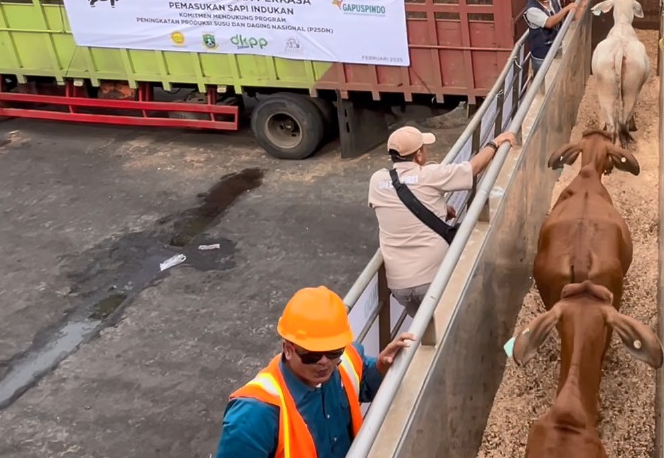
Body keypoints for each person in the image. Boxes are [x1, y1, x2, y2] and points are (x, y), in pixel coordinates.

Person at [216, 286, 416, 458]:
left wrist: (381, 368)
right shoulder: (253, 416)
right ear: (288, 348)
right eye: (312, 355)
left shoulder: (344, 363)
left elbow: (363, 381)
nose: (324, 363)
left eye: (333, 352)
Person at [368, 125, 517, 321]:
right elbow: (474, 168)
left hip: (399, 286)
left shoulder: (377, 180)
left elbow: (396, 207)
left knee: (426, 330)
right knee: (451, 324)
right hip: (433, 278)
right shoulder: (430, 174)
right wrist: (495, 142)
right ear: (419, 154)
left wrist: (437, 209)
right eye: (424, 147)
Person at [523, 0, 586, 75]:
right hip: (543, 56)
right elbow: (549, 22)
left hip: (557, 47)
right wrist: (567, 8)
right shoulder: (532, 10)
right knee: (543, 82)